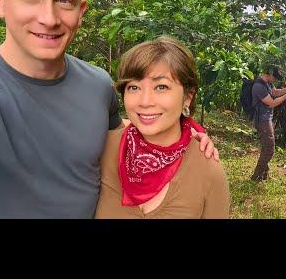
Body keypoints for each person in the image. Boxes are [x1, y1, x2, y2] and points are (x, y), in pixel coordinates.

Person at [0, 0, 218, 218]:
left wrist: (187, 131)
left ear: (80, 12)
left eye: (64, 0)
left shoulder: (97, 85)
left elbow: (120, 132)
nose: (49, 18)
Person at [95, 37, 229, 218]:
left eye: (161, 87)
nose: (145, 102)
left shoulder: (208, 170)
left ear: (188, 97)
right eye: (134, 87)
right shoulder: (101, 149)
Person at [251, 66, 286, 181]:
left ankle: (264, 174)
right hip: (262, 120)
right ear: (269, 75)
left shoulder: (267, 83)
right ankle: (256, 176)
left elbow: (275, 92)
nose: (275, 80)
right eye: (275, 78)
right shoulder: (258, 86)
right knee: (270, 149)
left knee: (266, 148)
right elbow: (271, 103)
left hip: (266, 119)